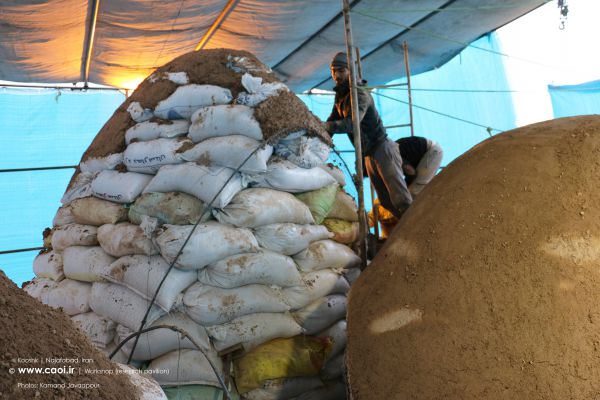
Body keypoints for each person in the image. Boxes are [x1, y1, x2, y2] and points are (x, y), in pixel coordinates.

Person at [323, 51, 412, 220]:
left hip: (382, 148)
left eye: (341, 70)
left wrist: (323, 126)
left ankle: (415, 227)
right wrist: (321, 135)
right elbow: (333, 120)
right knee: (385, 200)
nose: (336, 75)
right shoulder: (341, 95)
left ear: (350, 71)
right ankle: (404, 226)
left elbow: (351, 123)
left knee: (400, 198)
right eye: (334, 71)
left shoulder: (359, 93)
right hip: (368, 153)